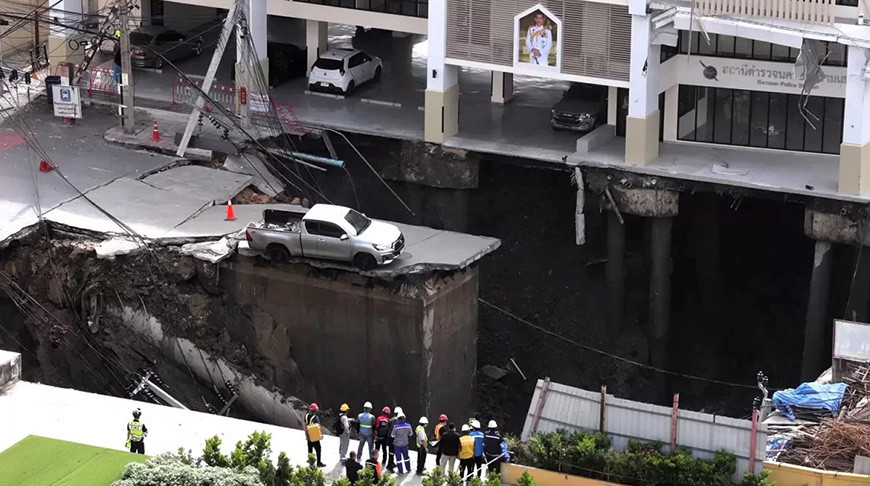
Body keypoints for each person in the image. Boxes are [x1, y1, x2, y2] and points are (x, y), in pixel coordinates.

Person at [305, 403, 327, 467]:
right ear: (315, 410)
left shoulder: (306, 416)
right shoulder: (316, 417)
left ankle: (311, 463)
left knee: (310, 449)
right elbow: (318, 427)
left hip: (309, 436)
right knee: (318, 449)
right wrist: (321, 435)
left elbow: (305, 424)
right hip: (314, 436)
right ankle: (318, 463)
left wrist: (306, 434)